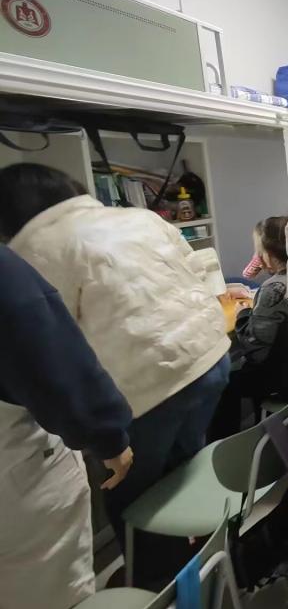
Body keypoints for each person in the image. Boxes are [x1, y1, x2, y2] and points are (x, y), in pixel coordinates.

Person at [0, 163, 230, 567]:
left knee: (134, 501)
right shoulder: (140, 218)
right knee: (184, 475)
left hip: (149, 391)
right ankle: (203, 566)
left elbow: (53, 346)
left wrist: (100, 434)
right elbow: (201, 274)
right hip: (210, 360)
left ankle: (158, 584)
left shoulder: (35, 250)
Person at [0, 244, 134, 609]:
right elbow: (57, 366)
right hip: (17, 482)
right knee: (51, 602)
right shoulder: (8, 275)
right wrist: (110, 438)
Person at [208, 216, 288, 440]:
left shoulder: (273, 289)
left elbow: (255, 349)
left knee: (223, 379)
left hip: (280, 377)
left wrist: (243, 314)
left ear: (268, 254)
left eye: (259, 251)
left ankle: (223, 441)